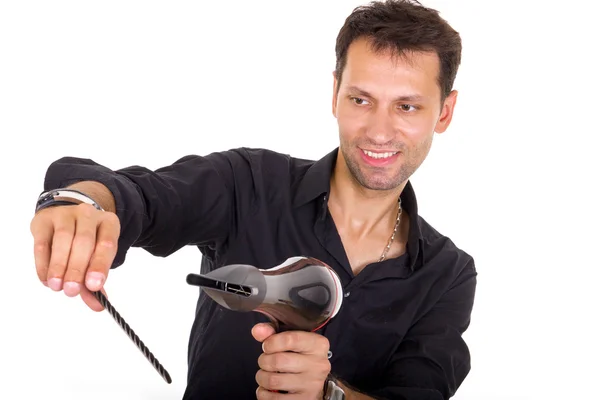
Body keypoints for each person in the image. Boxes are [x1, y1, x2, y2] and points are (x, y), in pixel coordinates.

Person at [30, 0, 477, 399]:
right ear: (335, 94)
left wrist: (329, 395)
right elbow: (144, 198)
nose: (380, 131)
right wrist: (80, 202)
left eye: (407, 107)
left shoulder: (448, 274)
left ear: (444, 112)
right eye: (361, 99)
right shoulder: (249, 183)